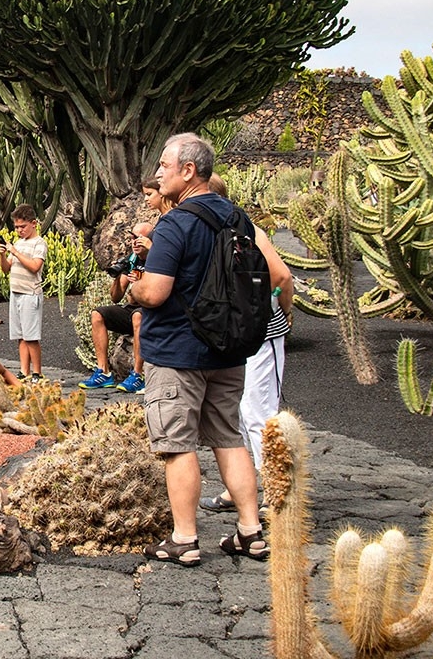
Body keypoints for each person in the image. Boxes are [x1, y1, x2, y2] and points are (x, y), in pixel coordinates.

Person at [129, 133, 267, 567]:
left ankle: (184, 538)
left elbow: (155, 292)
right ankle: (250, 531)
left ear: (189, 170)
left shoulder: (176, 223)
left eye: (164, 166)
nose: (158, 174)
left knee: (177, 444)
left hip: (178, 352)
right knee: (229, 437)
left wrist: (132, 289)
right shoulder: (238, 218)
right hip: (227, 348)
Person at [200, 174, 294, 513]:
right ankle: (242, 488)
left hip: (260, 333)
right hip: (232, 336)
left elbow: (281, 276)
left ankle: (275, 490)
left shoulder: (248, 231)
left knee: (259, 411)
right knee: (236, 412)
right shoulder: (211, 232)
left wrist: (281, 315)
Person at [79, 221, 154, 394]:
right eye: (132, 237)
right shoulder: (133, 259)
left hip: (150, 310)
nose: (134, 242)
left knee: (137, 316)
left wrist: (141, 284)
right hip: (134, 307)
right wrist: (119, 275)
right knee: (98, 314)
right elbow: (116, 297)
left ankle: (138, 375)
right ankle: (103, 372)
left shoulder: (156, 259)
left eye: (139, 238)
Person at [0, 204, 47, 383]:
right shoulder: (17, 243)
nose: (19, 230)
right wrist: (3, 255)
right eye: (17, 227)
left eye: (22, 227)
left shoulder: (39, 243)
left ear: (33, 223)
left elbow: (35, 266)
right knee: (20, 335)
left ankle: (37, 372)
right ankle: (24, 370)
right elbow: (5, 269)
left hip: (30, 293)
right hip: (16, 292)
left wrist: (16, 252)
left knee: (31, 335)